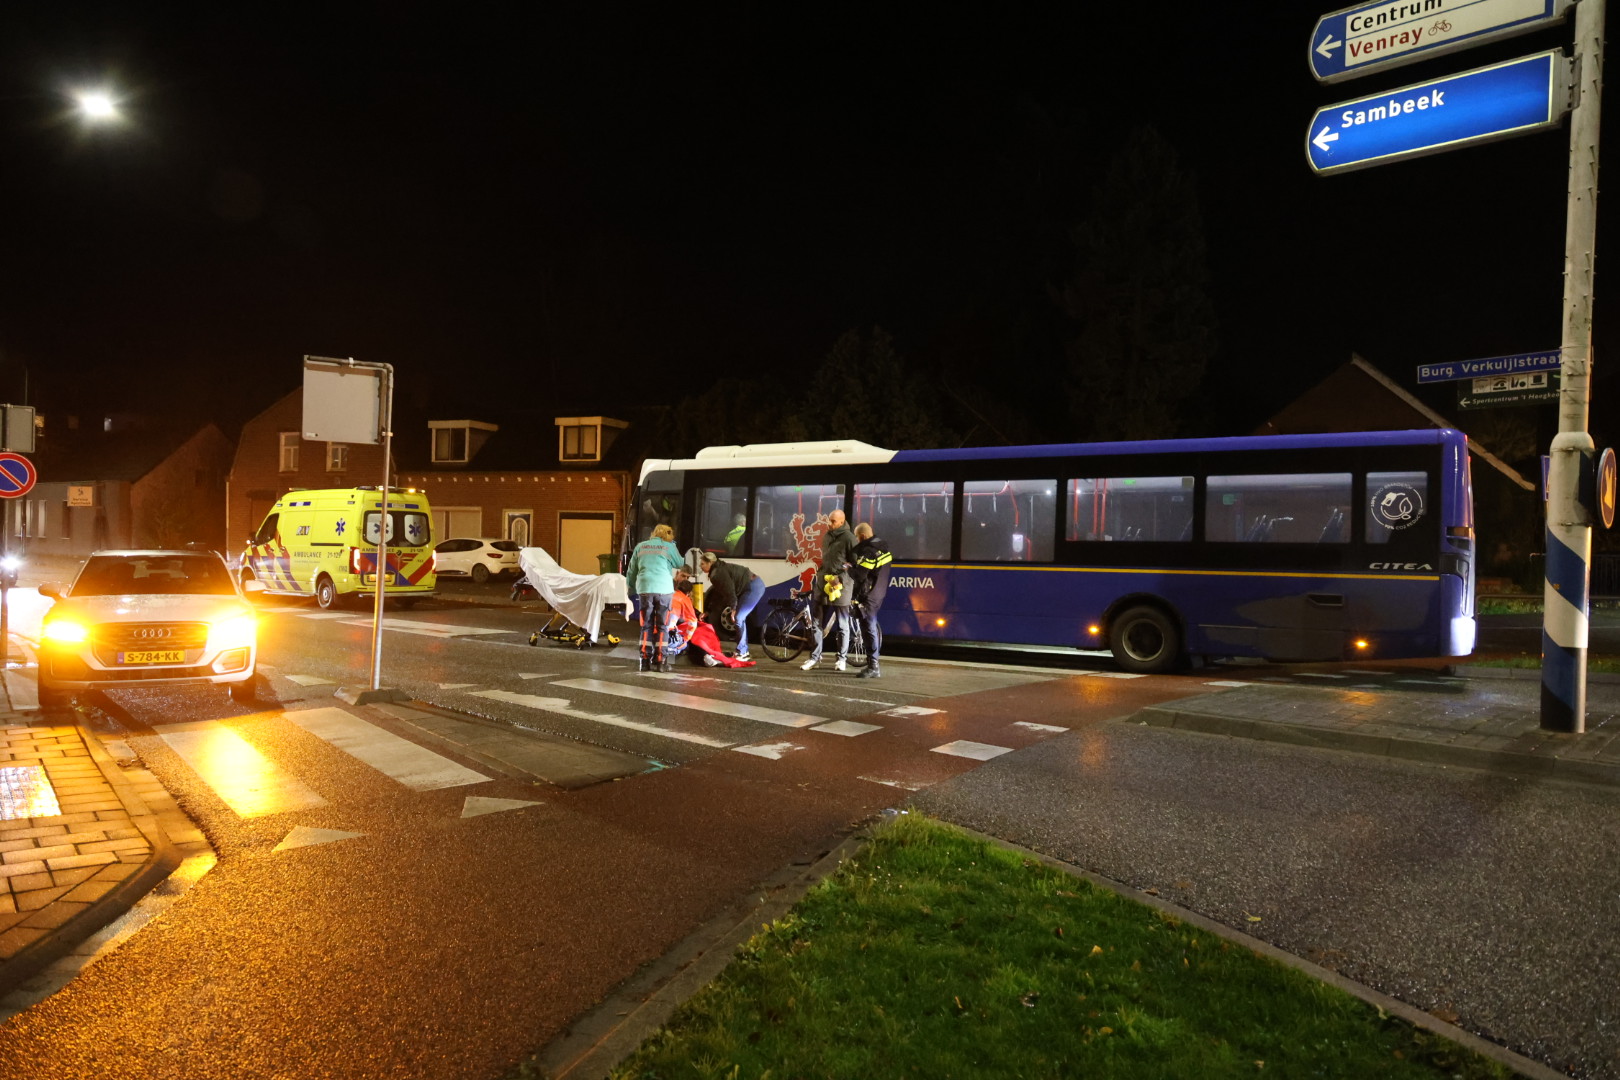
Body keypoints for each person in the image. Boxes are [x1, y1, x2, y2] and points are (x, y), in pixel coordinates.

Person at [801, 508, 857, 672]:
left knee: (842, 624)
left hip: (841, 587)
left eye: (833, 521)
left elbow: (853, 563)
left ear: (841, 521)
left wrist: (840, 577)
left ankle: (841, 659)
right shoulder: (826, 537)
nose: (829, 523)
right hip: (823, 584)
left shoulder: (849, 538)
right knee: (817, 623)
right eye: (829, 520)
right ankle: (814, 657)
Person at [627, 523, 683, 672]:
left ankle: (644, 661)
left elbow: (632, 570)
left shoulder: (641, 546)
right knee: (663, 626)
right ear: (668, 535)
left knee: (646, 625)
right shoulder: (669, 546)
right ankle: (660, 662)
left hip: (645, 589)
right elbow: (680, 563)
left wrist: (631, 587)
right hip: (664, 590)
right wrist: (673, 545)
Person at [700, 551, 764, 661]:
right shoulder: (717, 570)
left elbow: (730, 592)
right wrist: (708, 611)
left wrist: (734, 609)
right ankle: (743, 650)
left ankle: (743, 652)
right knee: (739, 618)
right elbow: (718, 595)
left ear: (710, 563)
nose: (700, 566)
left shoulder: (717, 573)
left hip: (753, 587)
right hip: (750, 586)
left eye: (702, 564)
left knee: (739, 618)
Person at [850, 521, 893, 679]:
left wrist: (849, 568)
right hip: (878, 592)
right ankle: (872, 664)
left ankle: (873, 666)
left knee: (868, 628)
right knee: (870, 627)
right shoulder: (883, 548)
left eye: (857, 537)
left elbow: (860, 575)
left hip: (869, 595)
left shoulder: (868, 551)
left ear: (862, 536)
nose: (857, 540)